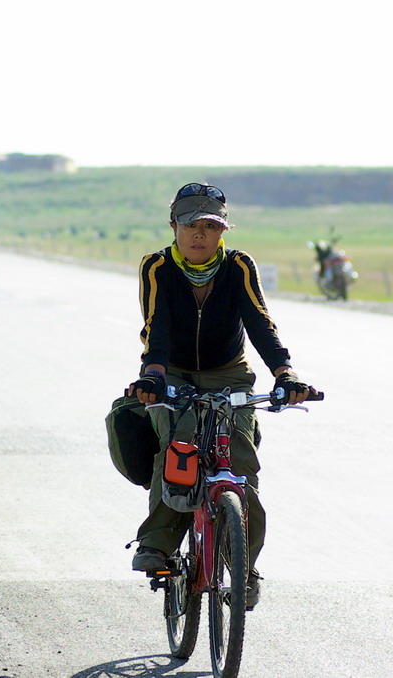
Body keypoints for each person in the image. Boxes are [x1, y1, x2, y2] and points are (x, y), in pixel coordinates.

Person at [124, 182, 310, 610]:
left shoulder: (238, 266)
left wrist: (285, 373)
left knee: (241, 464)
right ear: (174, 226)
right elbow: (156, 326)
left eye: (210, 225)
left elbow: (261, 323)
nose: (200, 234)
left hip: (229, 374)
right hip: (173, 373)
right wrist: (152, 376)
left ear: (223, 230)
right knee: (179, 448)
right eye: (191, 224)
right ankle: (158, 545)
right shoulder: (157, 267)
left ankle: (243, 567)